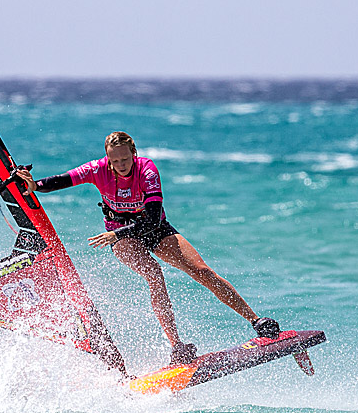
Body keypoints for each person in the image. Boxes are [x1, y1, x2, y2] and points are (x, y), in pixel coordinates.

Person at [17, 131, 280, 368]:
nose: (120, 166)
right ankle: (177, 347)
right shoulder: (99, 169)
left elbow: (153, 219)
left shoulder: (147, 171)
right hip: (122, 238)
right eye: (114, 161)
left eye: (124, 159)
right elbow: (62, 180)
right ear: (107, 158)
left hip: (150, 229)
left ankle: (256, 320)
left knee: (200, 270)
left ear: (134, 154)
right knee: (154, 273)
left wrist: (115, 233)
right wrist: (34, 186)